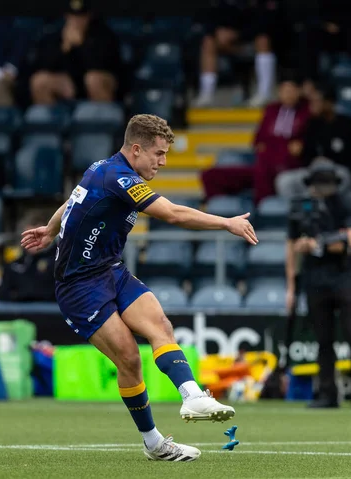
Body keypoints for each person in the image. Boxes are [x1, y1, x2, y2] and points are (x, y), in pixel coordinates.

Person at [21, 114, 258, 462]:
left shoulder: (102, 168)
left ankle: (192, 395)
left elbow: (73, 198)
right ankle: (154, 443)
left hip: (111, 270)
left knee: (161, 326)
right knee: (129, 358)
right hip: (79, 286)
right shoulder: (119, 177)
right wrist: (226, 222)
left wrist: (51, 227)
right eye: (158, 154)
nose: (162, 162)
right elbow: (173, 214)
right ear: (136, 149)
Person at [285, 159, 351, 409]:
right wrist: (291, 286)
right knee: (322, 340)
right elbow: (291, 246)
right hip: (315, 279)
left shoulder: (347, 200)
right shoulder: (301, 206)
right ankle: (326, 393)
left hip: (346, 277)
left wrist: (319, 243)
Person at [200, 75, 310, 205]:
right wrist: (279, 146)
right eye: (284, 91)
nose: (287, 95)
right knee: (211, 175)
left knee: (263, 169)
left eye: (291, 91)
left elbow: (297, 148)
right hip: (263, 163)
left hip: (286, 166)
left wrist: (273, 147)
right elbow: (258, 141)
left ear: (299, 92)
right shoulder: (271, 110)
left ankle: (262, 212)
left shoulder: (306, 111)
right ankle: (220, 213)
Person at [276, 86, 351, 199]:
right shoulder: (312, 124)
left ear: (329, 103)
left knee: (341, 177)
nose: (312, 106)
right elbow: (307, 155)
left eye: (317, 101)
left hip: (339, 171)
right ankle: (299, 211)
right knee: (284, 180)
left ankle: (324, 208)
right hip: (314, 170)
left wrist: (332, 164)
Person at [29, 0, 122, 104]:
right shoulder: (57, 35)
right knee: (40, 81)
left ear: (89, 16)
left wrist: (81, 45)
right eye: (73, 16)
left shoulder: (103, 35)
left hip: (99, 82)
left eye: (81, 17)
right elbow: (44, 65)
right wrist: (64, 48)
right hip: (68, 83)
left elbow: (100, 66)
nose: (76, 21)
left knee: (93, 79)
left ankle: (102, 118)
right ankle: (46, 119)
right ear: (66, 16)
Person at [195, 0, 281, 107]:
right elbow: (206, 19)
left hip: (251, 41)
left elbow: (266, 23)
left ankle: (265, 93)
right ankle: (206, 94)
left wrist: (238, 34)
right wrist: (217, 32)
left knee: (263, 40)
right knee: (208, 42)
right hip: (226, 43)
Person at [0, 211, 56, 303]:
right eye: (28, 236)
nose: (32, 241)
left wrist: (19, 294)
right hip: (19, 314)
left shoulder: (59, 260)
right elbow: (1, 295)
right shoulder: (14, 264)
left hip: (51, 314)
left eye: (38, 236)